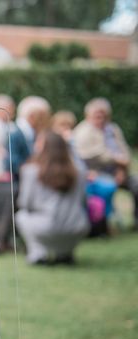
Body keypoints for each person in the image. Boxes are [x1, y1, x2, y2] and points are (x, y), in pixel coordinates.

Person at [16, 131, 90, 265]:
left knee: (21, 216)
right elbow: (83, 200)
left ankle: (38, 253)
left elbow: (25, 203)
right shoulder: (79, 170)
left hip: (45, 228)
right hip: (77, 226)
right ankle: (65, 253)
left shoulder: (31, 171)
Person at [73, 98, 138, 229]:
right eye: (96, 116)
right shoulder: (82, 131)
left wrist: (121, 170)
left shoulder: (113, 129)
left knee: (136, 183)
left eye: (103, 116)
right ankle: (102, 226)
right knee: (107, 186)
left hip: (118, 172)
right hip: (95, 174)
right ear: (88, 116)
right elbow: (93, 155)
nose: (100, 120)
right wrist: (118, 160)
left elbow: (124, 150)